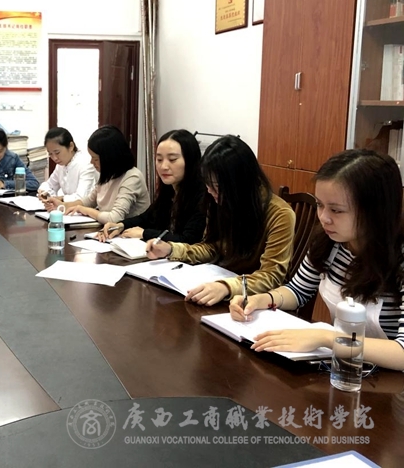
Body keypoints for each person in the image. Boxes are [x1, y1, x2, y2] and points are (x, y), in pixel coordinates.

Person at [230, 149, 404, 371]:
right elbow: (298, 291)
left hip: (389, 381)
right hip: (344, 368)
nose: (323, 217)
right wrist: (261, 299)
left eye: (336, 210)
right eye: (320, 205)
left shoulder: (398, 257)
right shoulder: (330, 242)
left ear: (376, 211)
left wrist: (327, 338)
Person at [146, 135, 295, 306]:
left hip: (255, 303)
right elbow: (212, 247)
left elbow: (271, 276)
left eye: (217, 187)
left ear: (240, 184)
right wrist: (171, 249)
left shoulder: (280, 214)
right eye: (208, 184)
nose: (210, 192)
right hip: (220, 291)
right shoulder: (218, 200)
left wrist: (226, 287)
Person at [98, 129, 206, 243]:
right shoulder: (169, 190)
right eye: (159, 159)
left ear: (190, 161)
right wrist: (121, 225)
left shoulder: (203, 196)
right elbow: (146, 218)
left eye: (172, 159)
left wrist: (145, 233)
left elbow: (188, 240)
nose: (163, 166)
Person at [49, 125, 150, 224]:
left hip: (131, 232)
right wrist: (63, 205)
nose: (92, 162)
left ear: (110, 157)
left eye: (95, 159)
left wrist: (85, 210)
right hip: (109, 231)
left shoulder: (132, 178)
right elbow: (90, 201)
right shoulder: (109, 174)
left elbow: (115, 218)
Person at [37, 127, 97, 207]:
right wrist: (44, 193)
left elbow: (82, 198)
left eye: (57, 152)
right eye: (50, 154)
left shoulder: (86, 163)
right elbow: (49, 184)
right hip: (68, 210)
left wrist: (61, 199)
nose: (54, 158)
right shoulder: (61, 165)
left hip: (87, 211)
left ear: (71, 146)